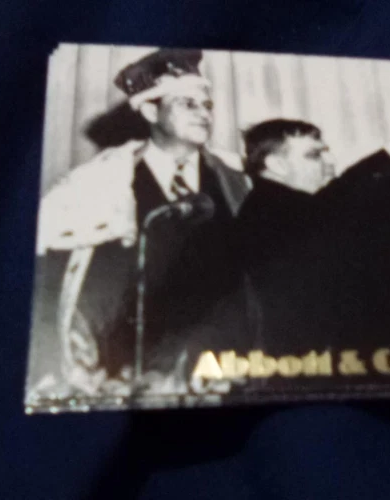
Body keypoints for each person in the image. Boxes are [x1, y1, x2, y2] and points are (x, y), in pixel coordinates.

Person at [36, 49, 251, 396]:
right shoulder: (98, 186)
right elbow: (58, 289)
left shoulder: (239, 179)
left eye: (207, 104)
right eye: (187, 104)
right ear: (150, 111)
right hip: (131, 375)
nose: (204, 114)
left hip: (230, 368)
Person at [236, 105, 390, 359]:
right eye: (315, 155)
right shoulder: (265, 210)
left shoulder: (319, 207)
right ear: (277, 164)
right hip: (350, 365)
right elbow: (337, 210)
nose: (331, 161)